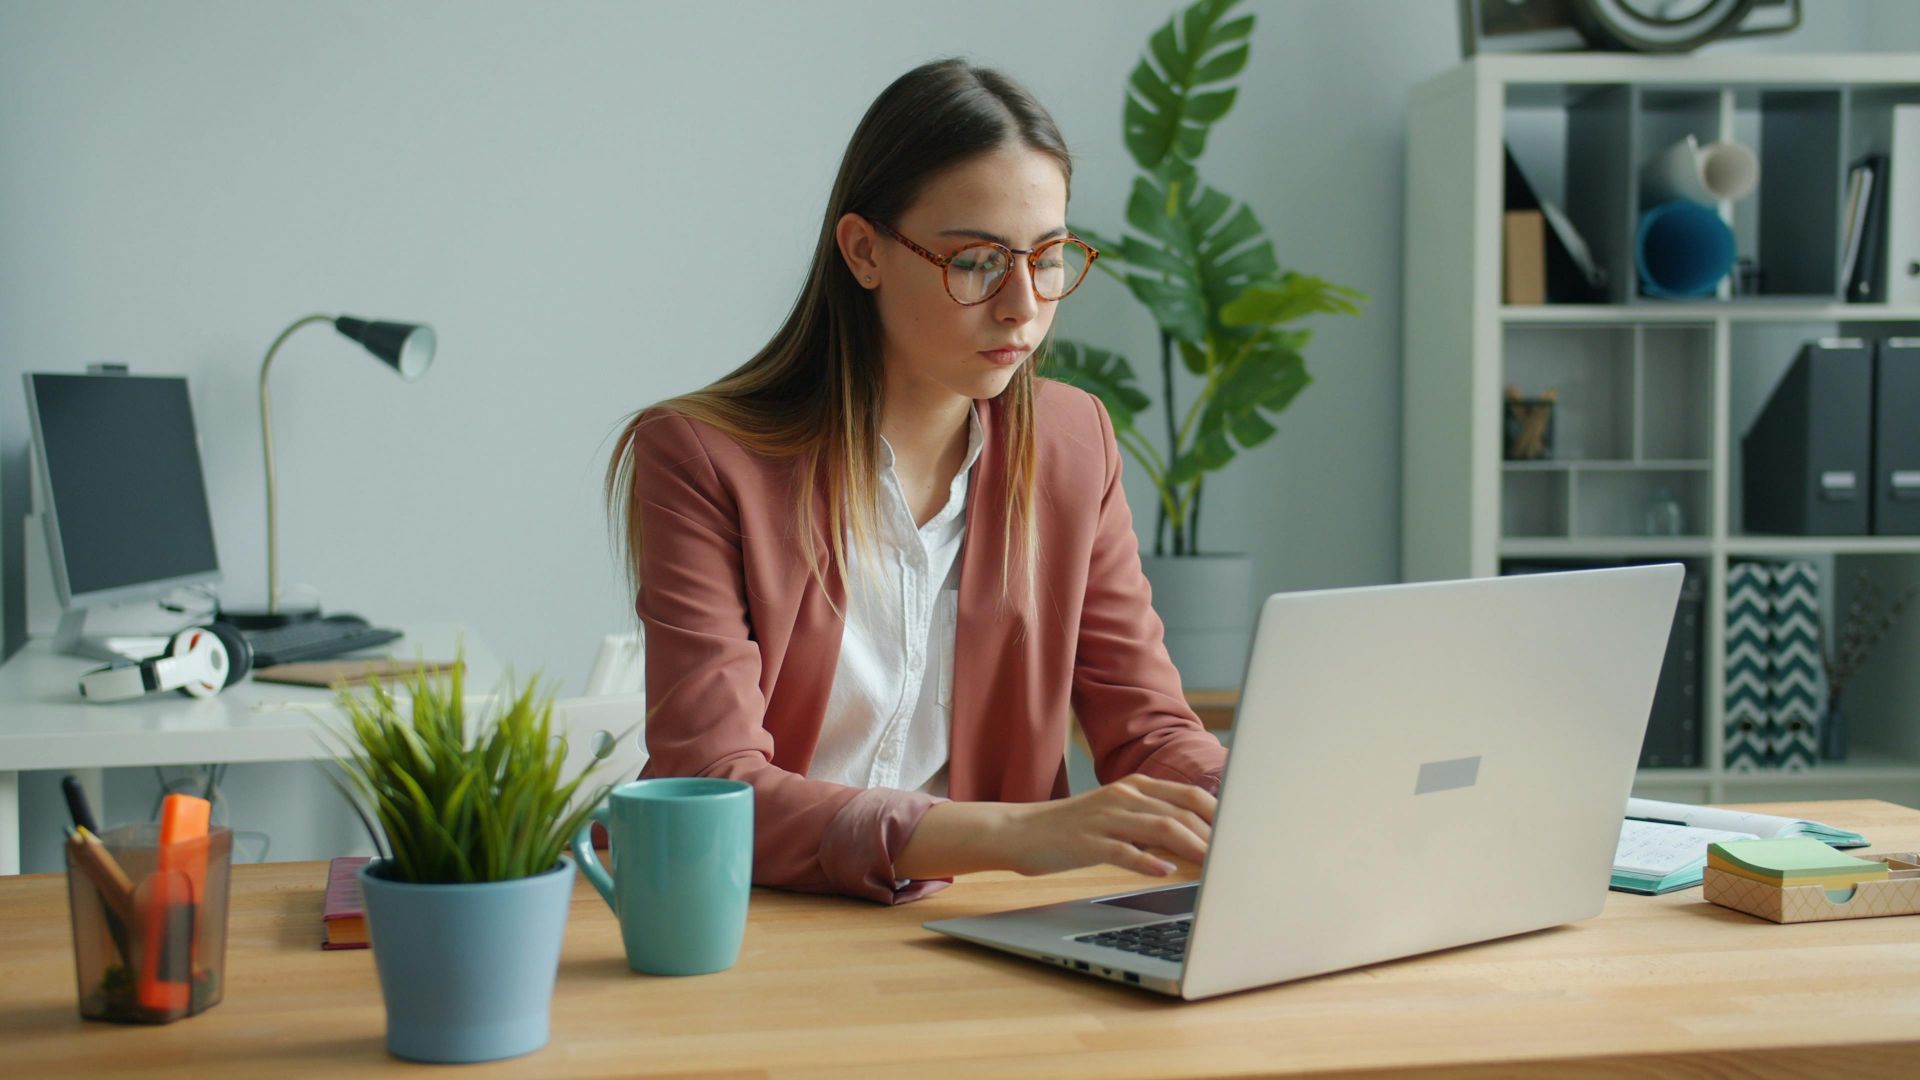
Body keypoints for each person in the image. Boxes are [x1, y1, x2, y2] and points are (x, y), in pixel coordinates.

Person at [606, 58, 1226, 905]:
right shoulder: (705, 459)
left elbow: (1148, 729)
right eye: (976, 262)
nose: (1022, 306)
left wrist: (1270, 798)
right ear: (865, 251)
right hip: (764, 925)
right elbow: (713, 785)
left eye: (1048, 259)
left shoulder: (1073, 443)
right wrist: (1011, 833)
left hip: (985, 934)